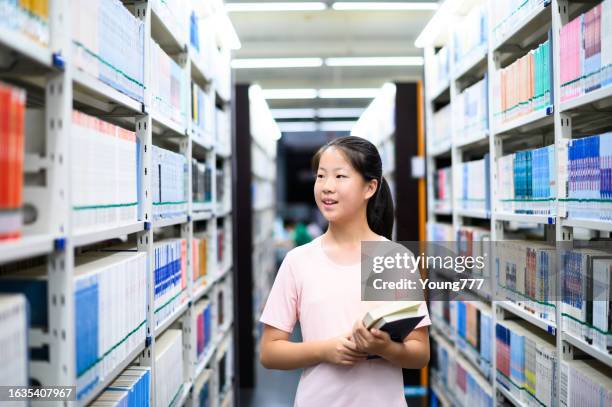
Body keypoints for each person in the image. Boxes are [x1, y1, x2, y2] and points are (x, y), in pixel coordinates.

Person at [259, 136, 431, 406]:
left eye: (340, 176)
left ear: (369, 187)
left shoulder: (393, 259)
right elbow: (269, 352)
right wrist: (324, 350)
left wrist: (383, 348)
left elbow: (420, 354)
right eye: (321, 176)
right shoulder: (299, 261)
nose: (327, 187)